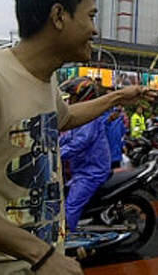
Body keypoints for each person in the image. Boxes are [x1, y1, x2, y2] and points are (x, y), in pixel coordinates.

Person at [0, 0, 155, 274]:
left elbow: (66, 118)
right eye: (90, 16)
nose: (95, 29)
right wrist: (43, 256)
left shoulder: (45, 80)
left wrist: (118, 97)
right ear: (59, 16)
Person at [59, 77, 112, 232]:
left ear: (83, 96)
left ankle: (66, 239)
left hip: (91, 172)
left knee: (70, 206)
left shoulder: (90, 117)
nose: (70, 101)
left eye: (73, 97)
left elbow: (80, 142)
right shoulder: (81, 115)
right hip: (81, 170)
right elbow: (68, 137)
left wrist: (57, 154)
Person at [104, 105, 127, 169]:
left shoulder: (120, 121)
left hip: (117, 155)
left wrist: (123, 145)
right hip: (106, 156)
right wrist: (109, 119)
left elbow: (122, 135)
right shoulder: (104, 117)